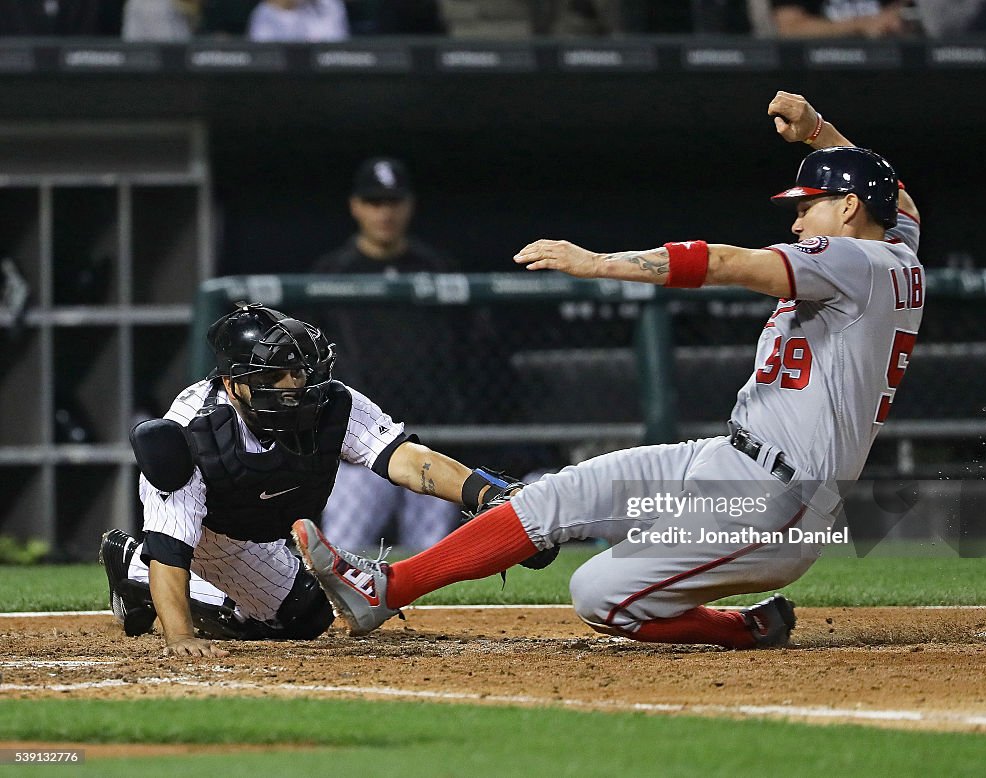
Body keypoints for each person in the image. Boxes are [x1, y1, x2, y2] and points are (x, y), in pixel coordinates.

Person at [292, 90, 924, 648]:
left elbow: (726, 262)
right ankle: (385, 589)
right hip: (731, 460)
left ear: (846, 208)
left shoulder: (854, 262)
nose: (794, 219)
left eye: (808, 204)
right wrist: (819, 134)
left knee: (598, 592)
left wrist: (599, 264)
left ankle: (744, 629)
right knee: (552, 497)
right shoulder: (895, 252)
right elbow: (893, 198)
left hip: (776, 501)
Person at [99, 302, 536, 657]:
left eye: (299, 371)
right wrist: (179, 637)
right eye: (273, 377)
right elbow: (172, 549)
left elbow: (406, 459)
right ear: (233, 386)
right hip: (212, 533)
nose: (294, 385)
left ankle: (134, 573)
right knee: (283, 620)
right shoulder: (191, 435)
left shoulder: (334, 403)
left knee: (305, 617)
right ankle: (137, 566)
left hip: (265, 528)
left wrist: (488, 493)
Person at [311, 157, 462, 553]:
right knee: (341, 551)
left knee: (433, 554)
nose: (385, 212)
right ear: (356, 206)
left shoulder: (435, 269)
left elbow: (462, 353)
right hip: (357, 444)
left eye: (393, 201)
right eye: (374, 201)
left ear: (409, 205)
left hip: (429, 435)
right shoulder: (331, 273)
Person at [770, 0, 908, 37]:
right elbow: (790, 28)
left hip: (889, 63)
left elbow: (908, 12)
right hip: (819, 69)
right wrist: (860, 25)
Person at [247, 0, 349, 41]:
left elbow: (338, 53)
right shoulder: (266, 10)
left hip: (324, 80)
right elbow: (260, 55)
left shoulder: (330, 6)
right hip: (279, 80)